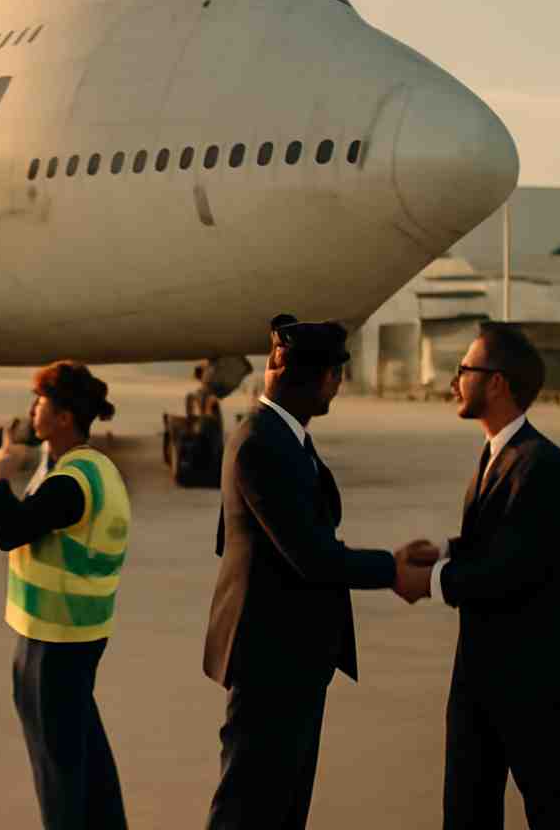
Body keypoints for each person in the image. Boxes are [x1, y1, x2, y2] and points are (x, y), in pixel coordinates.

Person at [202, 315, 419, 830]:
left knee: (280, 805)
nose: (337, 389)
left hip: (289, 652)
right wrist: (392, 569)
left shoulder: (282, 436)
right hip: (270, 658)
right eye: (336, 377)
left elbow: (229, 539)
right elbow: (314, 557)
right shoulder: (263, 442)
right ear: (326, 379)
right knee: (248, 808)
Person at [394, 322, 560, 829]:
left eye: (465, 370)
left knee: (554, 814)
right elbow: (499, 539)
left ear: (497, 383)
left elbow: (514, 569)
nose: (454, 380)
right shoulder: (498, 455)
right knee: (466, 814)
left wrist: (429, 582)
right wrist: (445, 549)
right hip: (480, 678)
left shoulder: (548, 468)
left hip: (536, 681)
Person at [0, 361, 131, 830]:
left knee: (58, 774)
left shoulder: (70, 482)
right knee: (85, 761)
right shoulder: (93, 468)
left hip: (54, 639)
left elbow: (8, 531)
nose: (32, 409)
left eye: (41, 402)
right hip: (77, 632)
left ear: (65, 416)